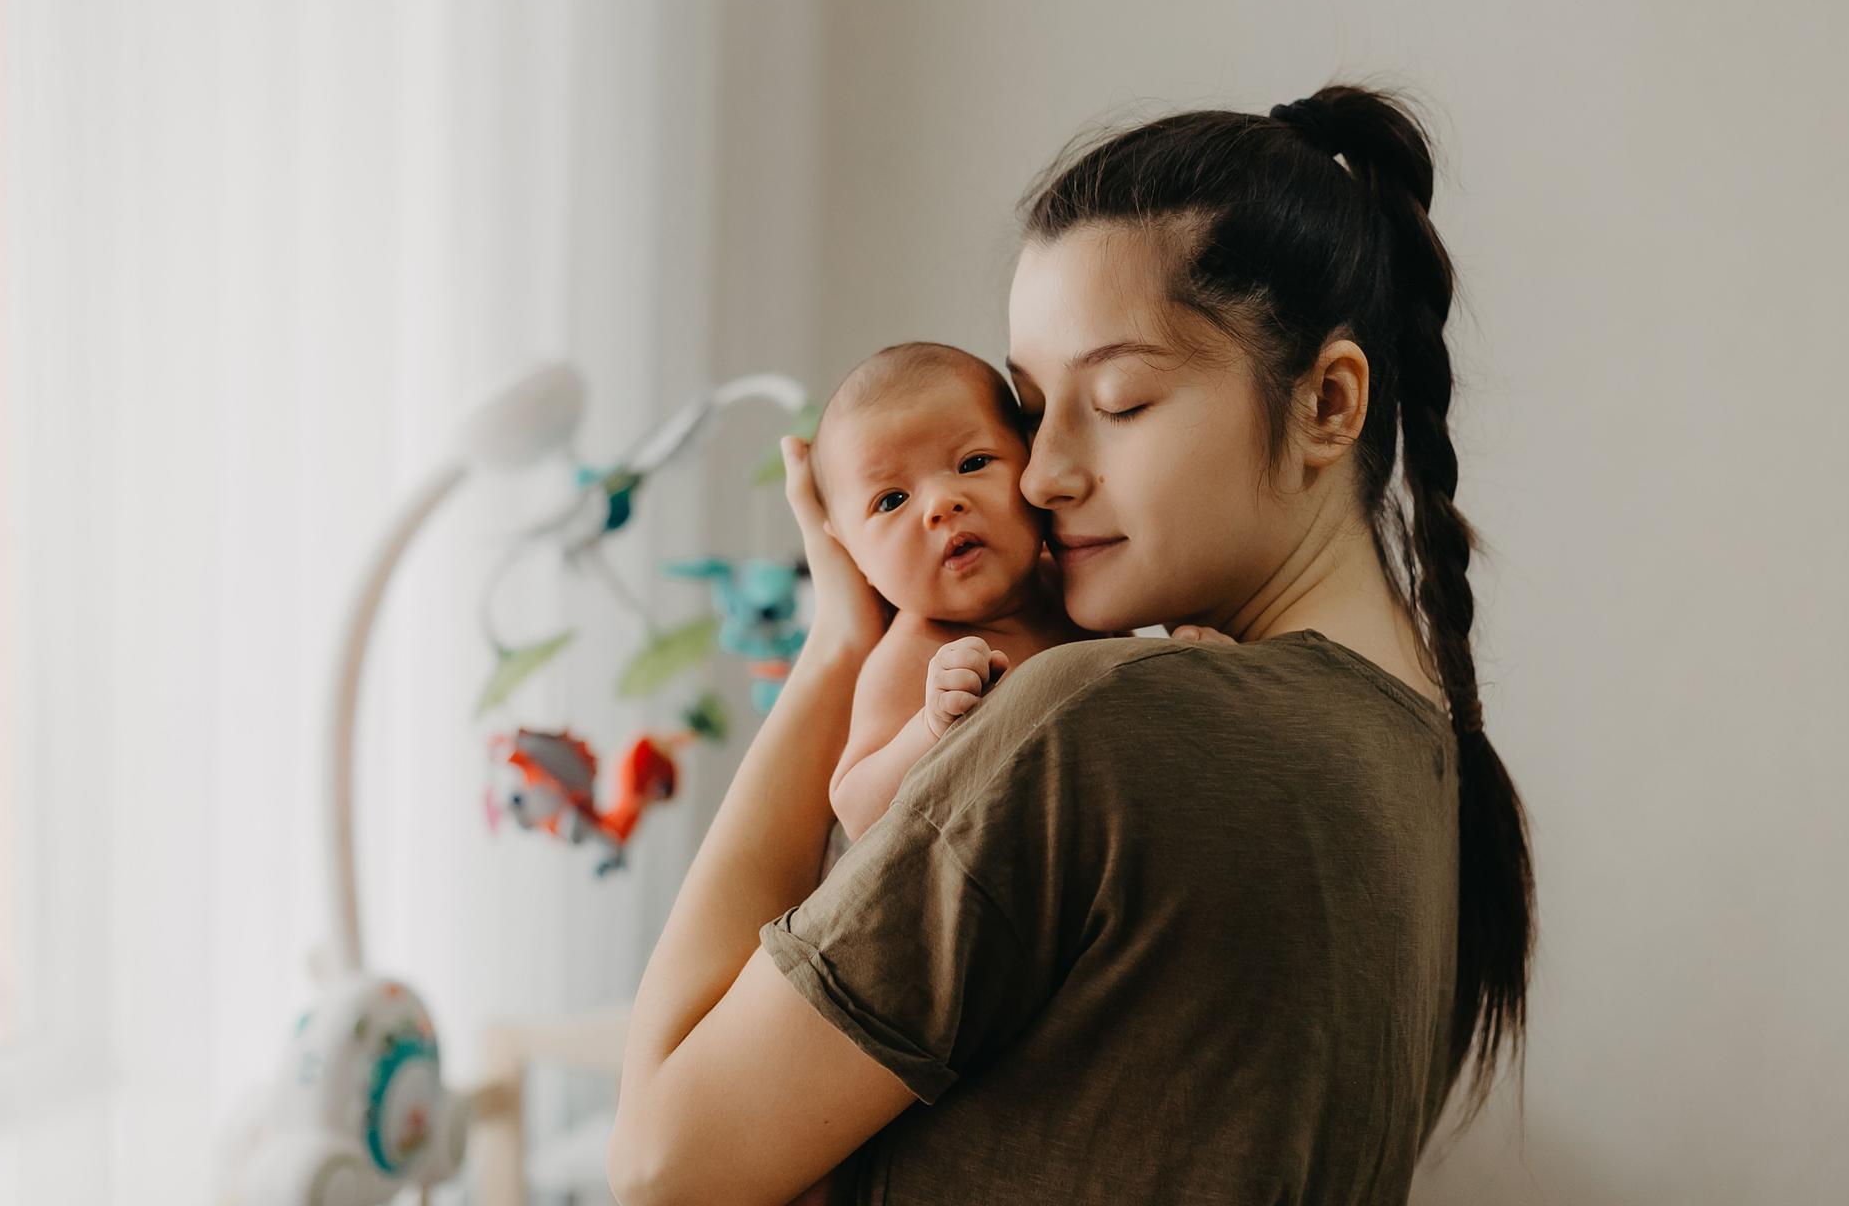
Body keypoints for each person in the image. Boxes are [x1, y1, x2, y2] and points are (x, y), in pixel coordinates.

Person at [606, 83, 1536, 1206]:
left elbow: (664, 1162)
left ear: (1329, 404)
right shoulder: (1429, 768)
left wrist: (834, 653)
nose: (1044, 473)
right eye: (1033, 408)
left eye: (1122, 400)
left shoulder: (1094, 721)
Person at [802, 339, 1112, 868]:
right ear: (854, 557)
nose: (942, 503)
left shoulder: (1077, 583)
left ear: (1031, 462)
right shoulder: (913, 652)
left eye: (973, 462)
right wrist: (929, 727)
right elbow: (855, 808)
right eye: (892, 500)